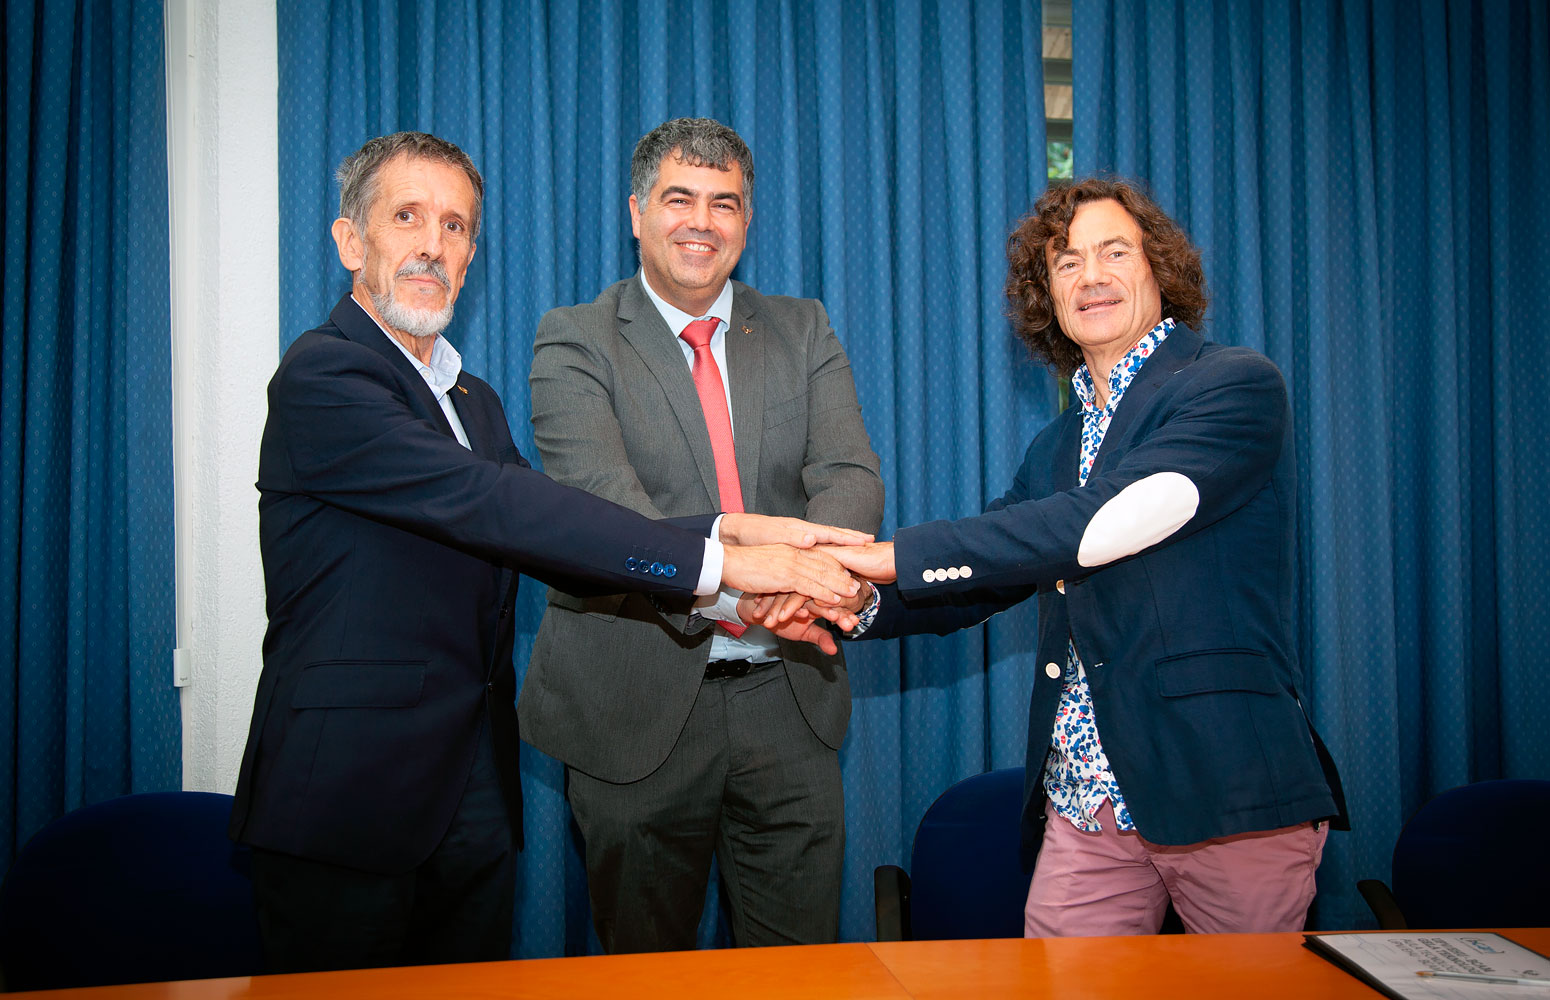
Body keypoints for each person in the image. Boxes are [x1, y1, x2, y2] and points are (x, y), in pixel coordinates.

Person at [229, 131, 863, 974]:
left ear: (472, 254)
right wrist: (720, 564)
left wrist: (721, 532)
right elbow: (500, 507)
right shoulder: (324, 375)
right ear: (351, 241)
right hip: (348, 797)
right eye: (407, 217)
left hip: (468, 793)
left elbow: (563, 538)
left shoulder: (470, 399)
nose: (433, 245)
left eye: (456, 226)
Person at [762, 177, 1345, 936]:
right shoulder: (1056, 443)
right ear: (1048, 296)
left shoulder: (1232, 384)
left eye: (1114, 252)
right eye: (1067, 263)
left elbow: (1103, 522)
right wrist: (853, 601)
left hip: (1226, 791)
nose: (1090, 276)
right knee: (1054, 984)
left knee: (1251, 991)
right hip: (1085, 801)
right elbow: (990, 573)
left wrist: (893, 555)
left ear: (1159, 269)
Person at [519, 118, 884, 952]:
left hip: (787, 699)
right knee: (646, 976)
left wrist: (792, 591)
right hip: (630, 707)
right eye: (679, 198)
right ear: (636, 212)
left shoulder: (803, 328)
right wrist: (749, 588)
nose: (702, 222)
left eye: (725, 203)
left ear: (747, 220)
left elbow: (850, 478)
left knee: (800, 977)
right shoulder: (573, 338)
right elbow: (607, 516)